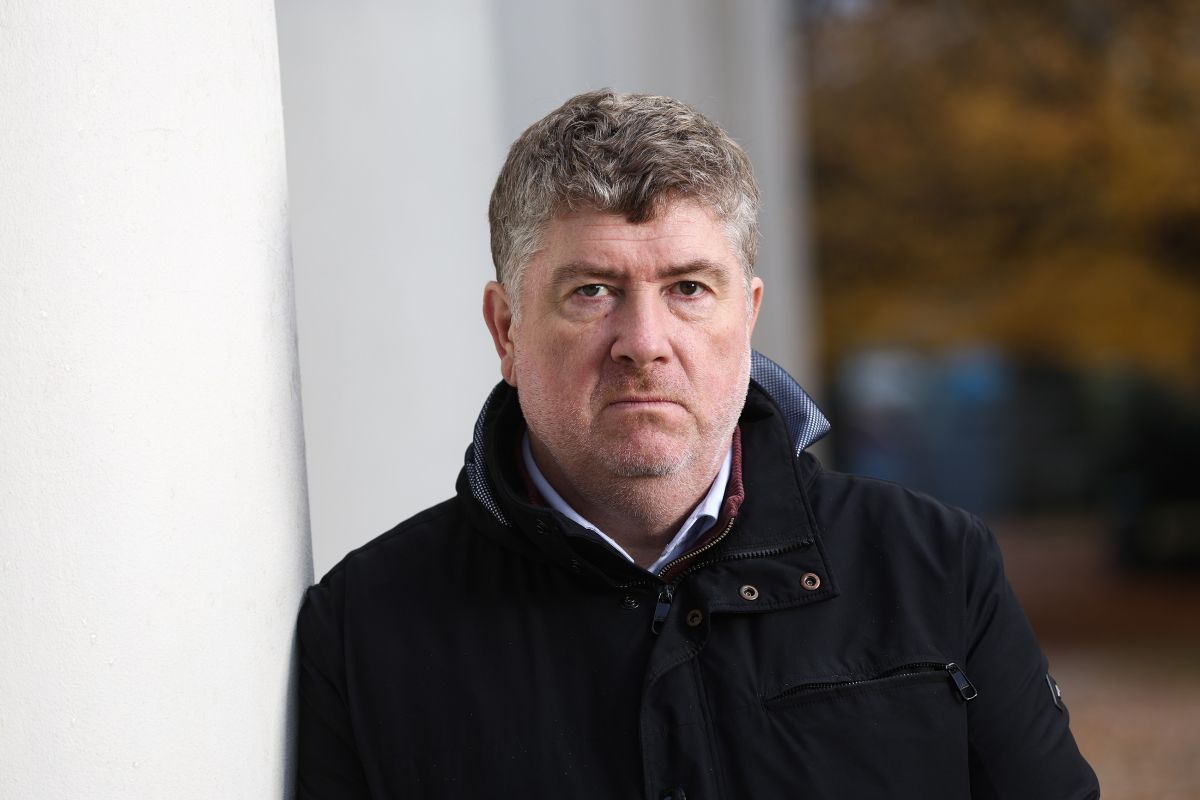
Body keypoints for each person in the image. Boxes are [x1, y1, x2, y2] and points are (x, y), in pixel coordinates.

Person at [296, 89, 1099, 799]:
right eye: (592, 291)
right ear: (506, 329)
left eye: (688, 288)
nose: (644, 343)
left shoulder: (934, 567)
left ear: (747, 316)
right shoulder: (366, 630)